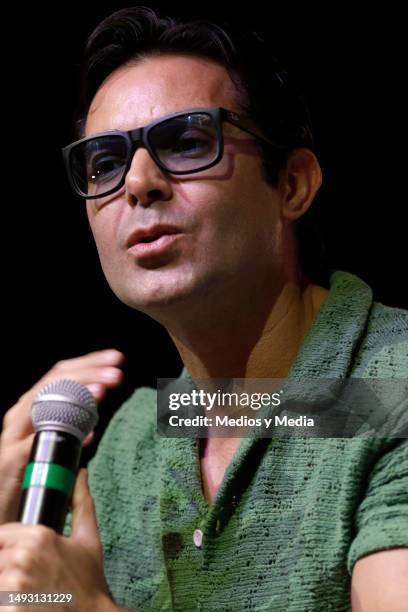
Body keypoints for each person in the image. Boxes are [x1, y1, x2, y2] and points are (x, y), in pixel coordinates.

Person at [0, 6, 407, 611]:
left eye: (187, 141)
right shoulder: (129, 441)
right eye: (106, 163)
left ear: (292, 184)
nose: (139, 182)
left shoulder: (393, 386)